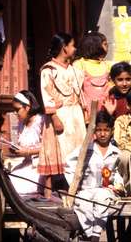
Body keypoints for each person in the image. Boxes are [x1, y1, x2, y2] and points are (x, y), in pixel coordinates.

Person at [38, 33, 86, 199]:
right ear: (64, 47)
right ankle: (48, 193)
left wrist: (84, 111)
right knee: (54, 150)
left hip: (75, 114)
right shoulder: (48, 70)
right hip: (59, 113)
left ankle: (72, 190)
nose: (75, 48)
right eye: (72, 45)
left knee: (75, 151)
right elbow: (46, 93)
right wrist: (54, 117)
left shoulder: (74, 69)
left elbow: (80, 93)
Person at [71, 111, 124, 242]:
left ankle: (96, 234)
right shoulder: (85, 149)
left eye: (106, 130)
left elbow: (118, 172)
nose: (102, 133)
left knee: (101, 197)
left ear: (112, 131)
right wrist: (75, 183)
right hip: (87, 189)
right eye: (99, 130)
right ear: (94, 131)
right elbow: (69, 165)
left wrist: (118, 185)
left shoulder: (116, 152)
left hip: (107, 190)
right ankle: (89, 234)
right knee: (82, 201)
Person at [6, 90, 44, 195]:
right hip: (26, 164)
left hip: (39, 168)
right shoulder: (21, 124)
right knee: (8, 181)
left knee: (15, 187)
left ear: (27, 107)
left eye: (17, 109)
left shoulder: (41, 121)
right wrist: (16, 149)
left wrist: (27, 151)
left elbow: (49, 148)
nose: (15, 113)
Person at [73, 32, 111, 123]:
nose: (108, 47)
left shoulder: (106, 65)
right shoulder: (80, 64)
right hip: (87, 109)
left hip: (104, 109)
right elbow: (76, 90)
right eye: (105, 44)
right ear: (95, 46)